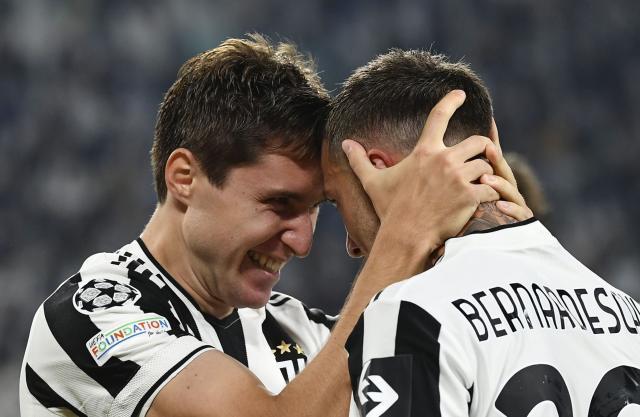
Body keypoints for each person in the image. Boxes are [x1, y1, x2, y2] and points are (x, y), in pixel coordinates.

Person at [20, 36, 528, 417]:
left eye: (315, 208)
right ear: (185, 178)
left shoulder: (301, 334)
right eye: (279, 203)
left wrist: (513, 241)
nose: (303, 242)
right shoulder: (95, 314)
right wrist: (403, 237)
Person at [323, 49, 640, 416]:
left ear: (377, 170)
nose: (351, 245)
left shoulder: (409, 315)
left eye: (336, 202)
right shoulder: (627, 313)